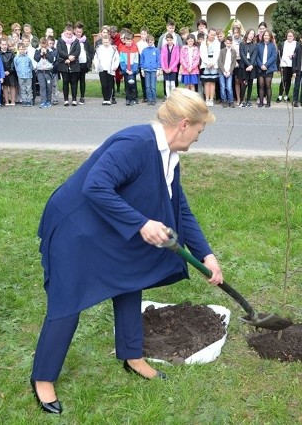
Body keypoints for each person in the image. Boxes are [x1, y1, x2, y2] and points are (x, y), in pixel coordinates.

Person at [30, 88, 223, 415]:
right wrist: (141, 224)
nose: (197, 141)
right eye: (198, 133)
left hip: (106, 226)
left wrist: (205, 253)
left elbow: (180, 208)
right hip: (74, 229)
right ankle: (43, 378)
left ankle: (132, 356)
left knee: (130, 279)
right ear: (183, 125)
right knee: (67, 300)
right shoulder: (136, 144)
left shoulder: (168, 156)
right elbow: (95, 186)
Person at [56, 24, 81, 106]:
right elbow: (60, 51)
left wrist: (72, 57)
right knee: (65, 82)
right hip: (64, 63)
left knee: (74, 82)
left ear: (72, 33)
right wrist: (67, 57)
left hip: (74, 64)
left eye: (70, 34)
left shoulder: (76, 41)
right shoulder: (60, 40)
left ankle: (74, 99)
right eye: (67, 34)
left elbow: (78, 51)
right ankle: (66, 100)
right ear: (64, 33)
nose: (69, 35)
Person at [93, 35, 120, 105]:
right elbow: (96, 58)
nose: (106, 43)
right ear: (102, 42)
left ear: (110, 41)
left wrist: (115, 66)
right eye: (104, 42)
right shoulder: (99, 49)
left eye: (107, 42)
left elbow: (117, 58)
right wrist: (97, 66)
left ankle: (108, 99)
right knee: (104, 84)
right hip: (102, 69)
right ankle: (105, 99)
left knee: (110, 85)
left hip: (110, 69)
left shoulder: (113, 49)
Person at [73, 22, 94, 104]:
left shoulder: (85, 40)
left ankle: (82, 97)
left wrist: (89, 60)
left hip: (83, 63)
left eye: (80, 32)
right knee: (74, 81)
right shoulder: (72, 40)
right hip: (75, 63)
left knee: (82, 80)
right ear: (74, 31)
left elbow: (90, 50)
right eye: (77, 32)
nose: (78, 33)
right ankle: (74, 97)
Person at [255, 30, 277, 108]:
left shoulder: (272, 45)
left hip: (269, 68)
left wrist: (266, 65)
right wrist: (261, 65)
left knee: (268, 85)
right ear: (262, 36)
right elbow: (256, 56)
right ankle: (261, 102)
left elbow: (274, 56)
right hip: (260, 68)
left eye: (268, 35)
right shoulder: (258, 45)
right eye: (265, 35)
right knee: (261, 85)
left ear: (270, 36)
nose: (266, 37)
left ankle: (268, 102)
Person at [118, 32, 140, 106]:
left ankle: (133, 99)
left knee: (133, 85)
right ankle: (128, 99)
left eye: (129, 41)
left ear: (132, 41)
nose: (128, 42)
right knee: (127, 86)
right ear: (124, 41)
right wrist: (125, 70)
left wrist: (133, 70)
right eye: (127, 41)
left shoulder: (135, 48)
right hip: (126, 71)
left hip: (132, 71)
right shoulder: (122, 49)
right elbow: (121, 61)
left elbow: (136, 60)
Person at [34, 37, 56, 108]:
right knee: (42, 86)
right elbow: (36, 59)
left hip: (48, 72)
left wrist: (46, 54)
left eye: (45, 45)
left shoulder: (50, 50)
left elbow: (51, 60)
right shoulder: (37, 50)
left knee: (49, 87)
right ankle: (43, 101)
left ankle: (48, 100)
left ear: (47, 44)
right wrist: (41, 54)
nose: (43, 46)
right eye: (42, 45)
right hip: (40, 72)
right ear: (40, 44)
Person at [200, 28, 219, 107]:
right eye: (211, 34)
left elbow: (217, 53)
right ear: (208, 34)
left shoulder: (216, 43)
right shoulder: (203, 43)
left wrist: (212, 63)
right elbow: (202, 54)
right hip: (205, 64)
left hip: (214, 64)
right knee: (207, 82)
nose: (213, 36)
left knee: (212, 82)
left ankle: (211, 99)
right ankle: (207, 99)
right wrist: (207, 63)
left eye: (214, 35)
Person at [238, 29, 257, 108]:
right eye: (250, 33)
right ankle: (242, 101)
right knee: (244, 84)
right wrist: (248, 65)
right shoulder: (242, 44)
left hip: (251, 67)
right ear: (247, 34)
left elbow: (254, 55)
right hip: (244, 67)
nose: (251, 35)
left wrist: (251, 65)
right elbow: (242, 55)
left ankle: (248, 100)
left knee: (250, 84)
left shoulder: (255, 45)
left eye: (253, 34)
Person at [277, 30, 297, 103]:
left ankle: (286, 96)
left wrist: (293, 56)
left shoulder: (296, 44)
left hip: (292, 65)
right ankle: (279, 96)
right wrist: (278, 67)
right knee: (283, 80)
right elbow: (278, 55)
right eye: (288, 36)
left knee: (288, 80)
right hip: (283, 64)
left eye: (291, 36)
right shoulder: (282, 44)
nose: (289, 37)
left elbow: (297, 54)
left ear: (293, 37)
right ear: (286, 36)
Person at [140, 35, 161, 105]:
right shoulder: (144, 50)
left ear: (153, 41)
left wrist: (158, 70)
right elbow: (142, 60)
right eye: (149, 42)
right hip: (146, 70)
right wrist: (142, 70)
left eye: (151, 41)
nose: (150, 43)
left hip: (154, 70)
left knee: (153, 86)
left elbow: (158, 60)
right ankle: (149, 99)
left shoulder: (156, 50)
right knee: (147, 86)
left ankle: (154, 99)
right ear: (147, 42)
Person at [217, 36, 236, 108]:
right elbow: (220, 62)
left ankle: (231, 101)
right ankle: (224, 100)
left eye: (230, 43)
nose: (228, 44)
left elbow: (233, 63)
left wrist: (229, 72)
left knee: (229, 87)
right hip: (222, 72)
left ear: (232, 43)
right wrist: (224, 71)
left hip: (229, 72)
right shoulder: (222, 51)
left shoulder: (233, 52)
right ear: (225, 43)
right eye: (227, 43)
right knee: (222, 87)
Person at [160, 33, 180, 100]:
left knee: (172, 84)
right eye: (168, 40)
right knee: (167, 83)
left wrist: (171, 68)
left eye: (170, 40)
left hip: (173, 69)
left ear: (173, 40)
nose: (169, 41)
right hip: (165, 68)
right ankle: (168, 97)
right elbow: (161, 59)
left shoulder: (176, 48)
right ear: (166, 40)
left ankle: (173, 97)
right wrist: (164, 68)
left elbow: (177, 59)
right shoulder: (164, 47)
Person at [0, 39, 17, 105]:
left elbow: (13, 63)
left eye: (5, 44)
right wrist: (2, 72)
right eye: (2, 44)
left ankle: (13, 101)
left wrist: (9, 71)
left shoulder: (11, 53)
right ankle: (6, 101)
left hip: (10, 72)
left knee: (12, 86)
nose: (4, 46)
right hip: (2, 72)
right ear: (0, 45)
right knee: (5, 86)